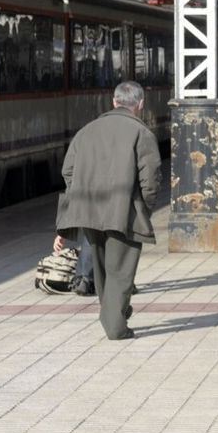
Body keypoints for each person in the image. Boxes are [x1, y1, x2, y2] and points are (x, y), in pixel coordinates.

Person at [55, 80, 160, 340]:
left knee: (101, 270)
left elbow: (68, 171)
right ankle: (115, 326)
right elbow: (151, 178)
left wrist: (83, 195)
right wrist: (143, 208)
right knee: (121, 271)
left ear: (113, 101)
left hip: (89, 211)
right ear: (140, 104)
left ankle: (114, 312)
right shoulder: (141, 133)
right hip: (123, 212)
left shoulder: (86, 131)